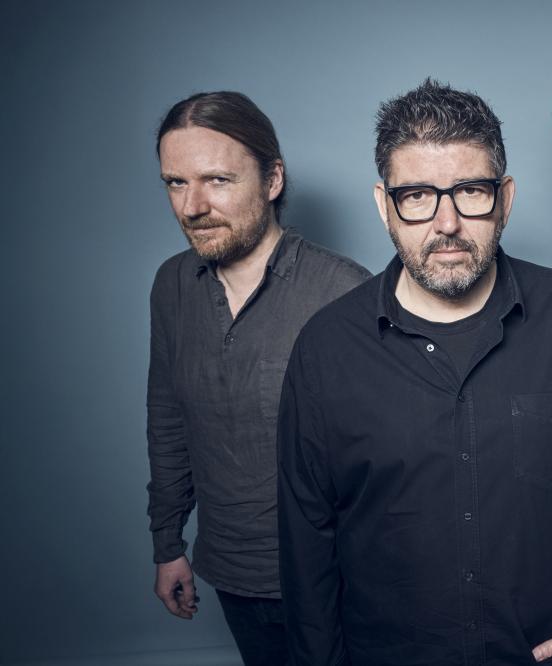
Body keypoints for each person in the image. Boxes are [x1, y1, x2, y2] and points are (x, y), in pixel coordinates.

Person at [277, 79, 552, 666]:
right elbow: (306, 536)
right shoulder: (325, 348)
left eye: (470, 192)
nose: (447, 223)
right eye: (417, 196)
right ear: (385, 206)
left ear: (505, 199)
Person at [146, 91, 371, 665]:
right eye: (176, 183)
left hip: (340, 578)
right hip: (232, 574)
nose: (192, 206)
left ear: (273, 180)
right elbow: (169, 422)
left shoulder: (344, 290)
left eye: (218, 180)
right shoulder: (172, 286)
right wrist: (168, 544)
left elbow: (388, 455)